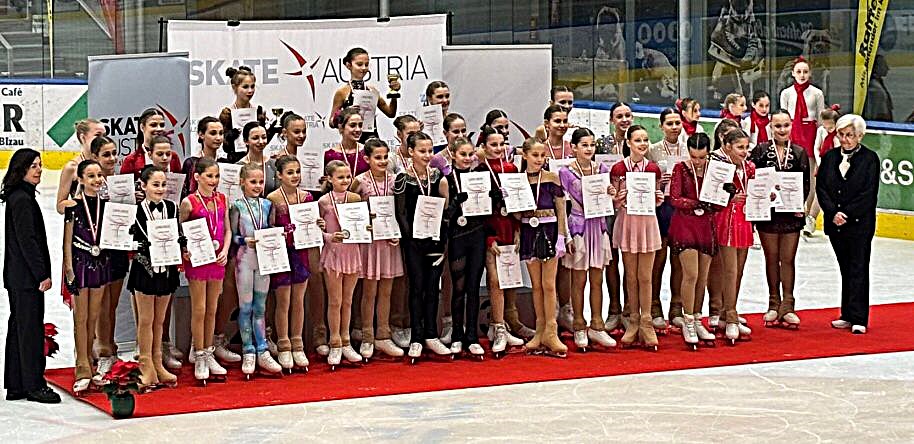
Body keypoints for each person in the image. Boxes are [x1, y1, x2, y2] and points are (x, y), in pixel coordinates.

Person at [2, 148, 61, 403]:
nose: (39, 170)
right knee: (30, 332)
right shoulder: (22, 200)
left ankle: (17, 385)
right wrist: (41, 274)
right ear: (22, 169)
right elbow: (28, 241)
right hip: (26, 278)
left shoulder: (19, 196)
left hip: (19, 276)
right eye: (34, 166)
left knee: (20, 329)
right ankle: (34, 385)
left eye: (40, 165)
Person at [817, 114, 880, 334]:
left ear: (860, 136)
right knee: (845, 268)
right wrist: (832, 212)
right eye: (842, 135)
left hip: (859, 224)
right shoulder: (830, 157)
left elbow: (868, 193)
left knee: (858, 268)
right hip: (835, 224)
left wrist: (846, 213)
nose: (845, 139)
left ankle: (859, 317)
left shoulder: (870, 159)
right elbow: (822, 188)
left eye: (850, 135)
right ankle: (847, 314)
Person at [394, 131, 452, 362]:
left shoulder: (438, 177)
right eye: (422, 151)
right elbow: (401, 213)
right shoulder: (402, 179)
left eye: (430, 151)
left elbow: (444, 211)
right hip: (413, 243)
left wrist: (440, 238)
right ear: (411, 152)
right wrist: (412, 238)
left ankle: (431, 334)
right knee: (417, 288)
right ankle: (416, 337)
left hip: (435, 240)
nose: (427, 155)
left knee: (432, 287)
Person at [749, 110, 810, 329]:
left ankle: (788, 305)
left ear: (791, 126)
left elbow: (805, 184)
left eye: (785, 125)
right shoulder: (760, 151)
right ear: (770, 127)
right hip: (768, 214)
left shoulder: (800, 152)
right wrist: (763, 197)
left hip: (791, 215)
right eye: (777, 126)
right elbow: (753, 180)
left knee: (788, 259)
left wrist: (799, 203)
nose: (782, 130)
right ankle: (773, 303)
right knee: (771, 258)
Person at [559, 128, 616, 352]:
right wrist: (566, 235)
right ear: (573, 147)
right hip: (579, 227)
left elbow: (606, 198)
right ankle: (579, 324)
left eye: (592, 145)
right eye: (584, 145)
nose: (589, 149)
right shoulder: (565, 172)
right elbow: (563, 205)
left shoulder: (601, 169)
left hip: (597, 226)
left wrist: (610, 192)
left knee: (597, 278)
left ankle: (597, 324)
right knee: (579, 279)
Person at [351, 139, 405, 360]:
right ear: (367, 159)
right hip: (370, 243)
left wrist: (398, 231)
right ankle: (367, 335)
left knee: (386, 291)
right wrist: (364, 219)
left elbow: (401, 210)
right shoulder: (360, 181)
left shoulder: (396, 180)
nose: (382, 161)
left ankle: (383, 334)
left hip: (389, 241)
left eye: (385, 157)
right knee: (369, 291)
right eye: (377, 157)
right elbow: (349, 207)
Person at [611, 125, 664, 350]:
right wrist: (617, 199)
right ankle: (633, 319)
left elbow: (656, 197)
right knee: (630, 275)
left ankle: (647, 321)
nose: (642, 144)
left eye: (645, 140)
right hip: (628, 222)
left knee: (645, 276)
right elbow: (613, 202)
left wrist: (658, 199)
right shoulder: (618, 168)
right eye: (638, 140)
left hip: (647, 222)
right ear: (628, 143)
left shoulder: (653, 168)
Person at [128, 166, 181, 390]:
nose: (160, 189)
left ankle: (158, 362)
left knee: (160, 320)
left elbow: (178, 234)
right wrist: (139, 245)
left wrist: (183, 246)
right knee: (146, 320)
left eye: (163, 185)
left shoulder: (172, 207)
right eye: (155, 185)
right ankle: (145, 364)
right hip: (145, 270)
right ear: (143, 186)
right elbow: (127, 239)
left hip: (166, 269)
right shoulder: (135, 211)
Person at [179, 158, 231, 384]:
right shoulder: (188, 202)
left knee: (212, 308)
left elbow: (227, 230)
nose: (214, 180)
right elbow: (180, 232)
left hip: (218, 258)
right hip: (199, 260)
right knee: (199, 308)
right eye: (209, 176)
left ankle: (208, 352)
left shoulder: (222, 199)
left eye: (216, 176)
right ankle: (199, 353)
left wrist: (225, 251)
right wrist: (184, 250)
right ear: (197, 177)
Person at [63, 159, 111, 395]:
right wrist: (69, 270)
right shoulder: (73, 206)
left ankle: (90, 362)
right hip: (80, 264)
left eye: (99, 175)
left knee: (93, 316)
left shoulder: (106, 205)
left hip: (100, 263)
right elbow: (67, 242)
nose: (96, 180)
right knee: (80, 318)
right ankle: (81, 366)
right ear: (80, 179)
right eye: (91, 176)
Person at [477, 126, 527, 353]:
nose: (498, 148)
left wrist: (517, 230)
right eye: (493, 144)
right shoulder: (479, 171)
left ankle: (503, 324)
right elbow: (477, 209)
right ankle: (497, 327)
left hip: (509, 228)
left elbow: (518, 203)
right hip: (490, 231)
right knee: (495, 280)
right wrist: (489, 237)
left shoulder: (511, 168)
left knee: (509, 279)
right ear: (484, 146)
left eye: (501, 144)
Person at [668, 133, 720, 349]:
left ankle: (698, 318)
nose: (697, 161)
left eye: (701, 157)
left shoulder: (715, 170)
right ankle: (687, 319)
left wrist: (726, 194)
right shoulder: (680, 168)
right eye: (694, 157)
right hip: (685, 225)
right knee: (691, 274)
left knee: (702, 277)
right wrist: (696, 202)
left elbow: (719, 203)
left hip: (706, 225)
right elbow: (675, 198)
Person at [518, 138, 569, 358]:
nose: (539, 159)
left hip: (549, 231)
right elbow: (516, 214)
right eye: (535, 155)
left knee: (549, 284)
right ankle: (539, 330)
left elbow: (561, 209)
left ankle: (551, 330)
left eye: (542, 156)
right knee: (536, 285)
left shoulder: (551, 178)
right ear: (525, 155)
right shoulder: (518, 180)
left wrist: (562, 236)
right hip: (528, 231)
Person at [230, 163, 282, 377]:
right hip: (244, 260)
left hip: (264, 261)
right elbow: (232, 236)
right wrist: (244, 240)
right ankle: (248, 350)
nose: (258, 186)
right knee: (245, 307)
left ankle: (262, 349)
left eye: (261, 182)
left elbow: (271, 228)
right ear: (242, 182)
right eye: (253, 182)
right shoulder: (236, 206)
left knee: (260, 307)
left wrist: (277, 235)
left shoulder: (268, 205)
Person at [267, 155, 317, 372]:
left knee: (298, 300)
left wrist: (318, 224)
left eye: (297, 171)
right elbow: (268, 227)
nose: (295, 176)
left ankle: (298, 343)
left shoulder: (307, 197)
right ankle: (283, 343)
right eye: (290, 172)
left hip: (301, 252)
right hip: (282, 254)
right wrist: (278, 233)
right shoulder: (272, 199)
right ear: (279, 175)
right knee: (283, 301)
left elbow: (313, 225)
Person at [444, 137, 487, 358]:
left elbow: (488, 211)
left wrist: (495, 199)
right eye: (463, 154)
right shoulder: (447, 179)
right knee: (458, 288)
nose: (468, 158)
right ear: (453, 154)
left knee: (473, 287)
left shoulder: (480, 177)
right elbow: (443, 216)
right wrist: (454, 203)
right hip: (458, 236)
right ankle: (456, 336)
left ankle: (472, 336)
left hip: (477, 234)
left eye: (471, 154)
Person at [711, 129, 755, 345]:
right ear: (727, 147)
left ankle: (727, 313)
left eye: (746, 147)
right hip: (726, 221)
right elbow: (710, 195)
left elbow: (756, 191)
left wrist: (767, 195)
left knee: (738, 270)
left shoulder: (750, 167)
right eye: (740, 147)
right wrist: (730, 199)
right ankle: (730, 316)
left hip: (744, 221)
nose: (744, 152)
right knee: (729, 270)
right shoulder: (719, 168)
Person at [319, 160, 365, 368]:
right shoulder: (323, 202)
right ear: (330, 179)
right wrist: (329, 237)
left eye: (348, 177)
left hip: (352, 252)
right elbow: (316, 231)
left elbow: (361, 225)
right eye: (340, 177)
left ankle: (346, 341)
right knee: (335, 301)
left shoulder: (355, 199)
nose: (345, 180)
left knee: (348, 300)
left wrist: (367, 227)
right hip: (334, 254)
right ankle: (334, 342)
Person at [646, 108, 687, 331]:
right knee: (658, 259)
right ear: (661, 126)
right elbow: (645, 180)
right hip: (661, 207)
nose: (674, 127)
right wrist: (659, 183)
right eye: (669, 123)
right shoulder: (652, 150)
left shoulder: (687, 149)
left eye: (677, 123)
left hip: (681, 209)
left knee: (678, 259)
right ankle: (654, 306)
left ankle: (677, 307)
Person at [330, 47, 399, 141]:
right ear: (349, 65)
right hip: (352, 140)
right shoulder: (342, 92)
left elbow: (391, 113)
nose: (363, 68)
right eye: (359, 64)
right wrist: (345, 113)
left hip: (371, 140)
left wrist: (394, 94)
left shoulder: (372, 90)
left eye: (366, 64)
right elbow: (331, 122)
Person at [779, 56, 824, 193]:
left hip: (810, 133)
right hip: (792, 132)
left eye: (805, 72)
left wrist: (820, 140)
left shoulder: (817, 93)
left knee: (810, 173)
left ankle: (809, 204)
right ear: (793, 73)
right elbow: (782, 119)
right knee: (791, 169)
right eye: (798, 72)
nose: (802, 75)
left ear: (810, 73)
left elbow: (820, 119)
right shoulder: (786, 93)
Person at [219, 66, 271, 163]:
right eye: (245, 87)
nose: (250, 91)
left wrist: (271, 130)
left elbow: (263, 142)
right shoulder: (227, 114)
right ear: (234, 87)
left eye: (252, 86)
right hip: (235, 162)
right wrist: (229, 137)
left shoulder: (258, 112)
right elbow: (225, 147)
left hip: (256, 161)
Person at [55, 118, 105, 215]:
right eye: (97, 135)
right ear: (83, 138)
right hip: (84, 220)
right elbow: (60, 206)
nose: (102, 140)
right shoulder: (72, 167)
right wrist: (83, 204)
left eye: (104, 136)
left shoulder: (105, 163)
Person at [806, 105, 841, 236]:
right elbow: (816, 147)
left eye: (830, 127)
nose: (827, 129)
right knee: (820, 192)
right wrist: (820, 162)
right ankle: (811, 219)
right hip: (821, 165)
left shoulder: (840, 134)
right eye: (825, 126)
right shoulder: (821, 131)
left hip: (837, 168)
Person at [121, 108, 182, 176]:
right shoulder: (131, 161)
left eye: (162, 125)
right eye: (153, 125)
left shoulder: (173, 157)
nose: (159, 129)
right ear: (142, 127)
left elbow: (180, 182)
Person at [183, 117, 224, 198]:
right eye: (213, 133)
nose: (218, 138)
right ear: (201, 134)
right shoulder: (191, 163)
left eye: (221, 133)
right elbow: (185, 193)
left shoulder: (226, 162)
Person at [326, 107, 370, 177]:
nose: (358, 129)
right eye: (352, 125)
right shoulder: (330, 155)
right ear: (341, 127)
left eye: (360, 125)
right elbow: (328, 181)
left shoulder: (368, 152)